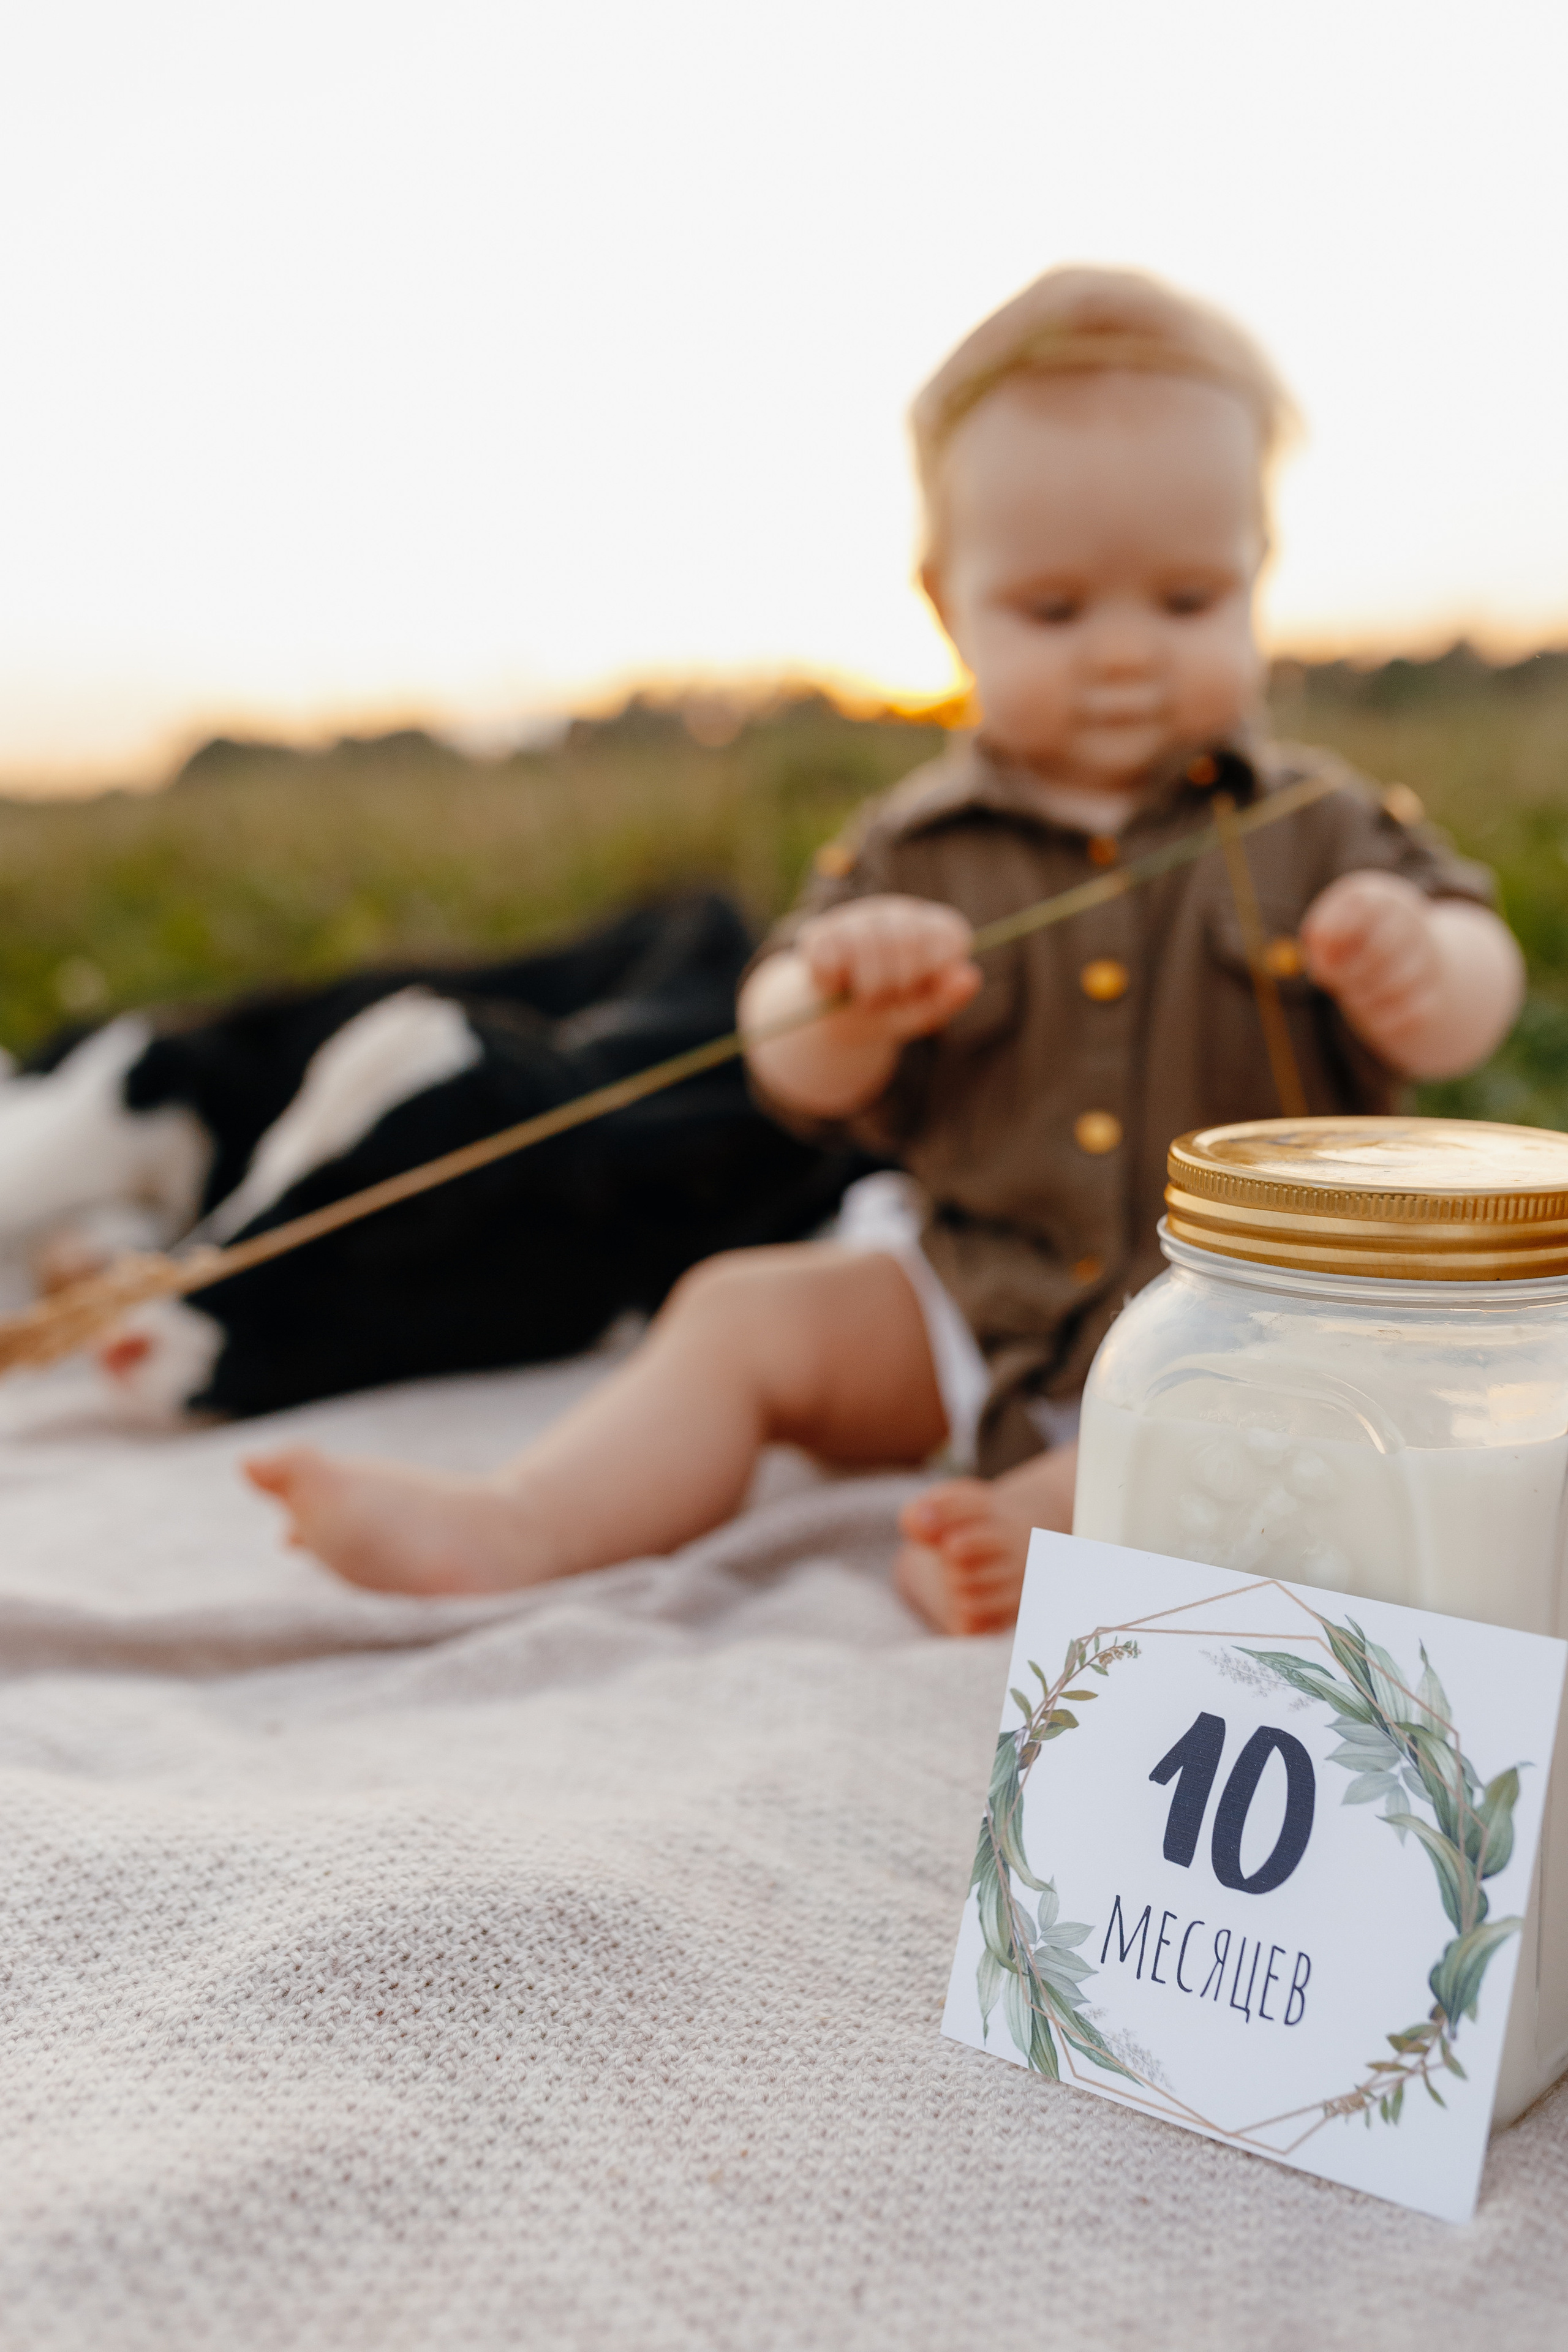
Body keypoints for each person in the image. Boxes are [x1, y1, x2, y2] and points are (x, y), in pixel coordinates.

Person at [244, 266, 1525, 1634]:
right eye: (1053, 610)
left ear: (1256, 579)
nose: (1123, 654)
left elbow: (1477, 983)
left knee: (1294, 1423)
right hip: (965, 1289)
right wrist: (841, 998)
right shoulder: (912, 846)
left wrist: (1422, 969)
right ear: (944, 605)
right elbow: (787, 1058)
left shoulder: (1317, 824)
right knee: (739, 1314)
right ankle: (522, 1522)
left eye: (1187, 600)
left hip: (1243, 1326)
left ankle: (1054, 1523)